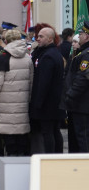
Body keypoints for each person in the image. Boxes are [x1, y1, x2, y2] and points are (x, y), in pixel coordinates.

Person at [0, 28, 33, 157]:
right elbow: (31, 80)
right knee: (21, 132)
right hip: (22, 101)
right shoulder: (27, 57)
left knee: (9, 134)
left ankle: (12, 159)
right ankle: (21, 157)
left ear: (6, 40)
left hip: (5, 102)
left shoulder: (3, 57)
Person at [29, 26, 66, 154]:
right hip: (53, 102)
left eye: (41, 36)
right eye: (37, 36)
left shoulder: (48, 56)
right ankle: (57, 156)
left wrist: (37, 104)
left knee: (48, 132)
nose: (37, 39)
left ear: (50, 39)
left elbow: (43, 83)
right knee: (54, 131)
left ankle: (51, 157)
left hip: (47, 104)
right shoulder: (51, 53)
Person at [64, 23, 89, 153]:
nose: (80, 36)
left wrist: (70, 95)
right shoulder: (82, 53)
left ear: (87, 36)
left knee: (83, 139)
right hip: (80, 104)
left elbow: (83, 79)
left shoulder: (86, 55)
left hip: (82, 104)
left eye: (83, 34)